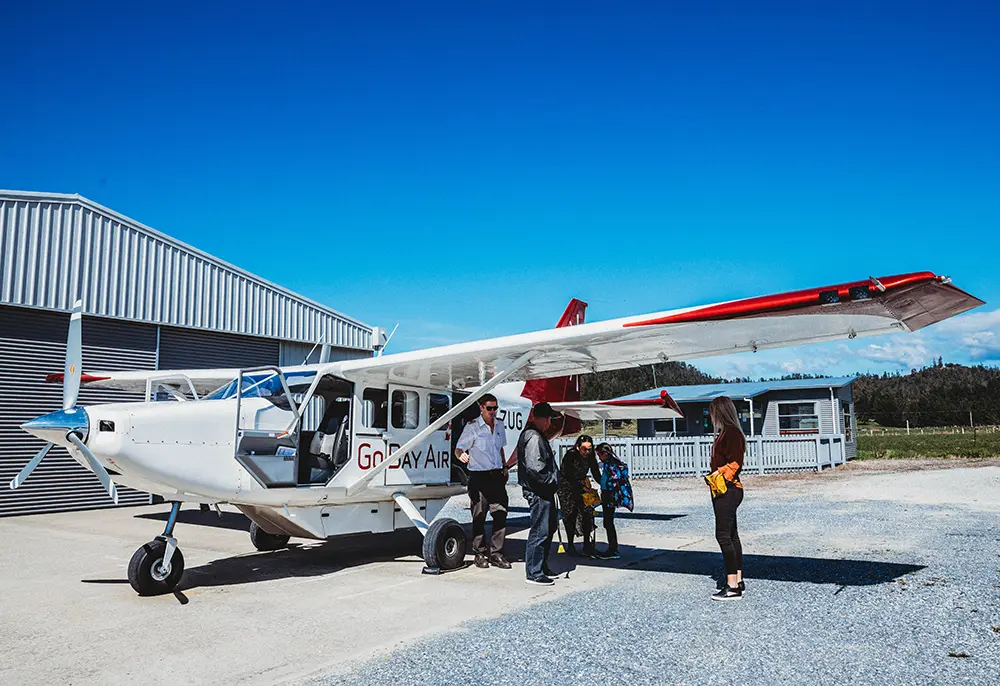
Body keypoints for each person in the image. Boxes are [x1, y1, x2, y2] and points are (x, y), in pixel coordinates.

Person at [455, 393, 511, 569]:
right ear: (481, 408)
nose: (492, 411)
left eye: (495, 408)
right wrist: (461, 455)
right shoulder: (472, 427)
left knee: (500, 513)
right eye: (489, 408)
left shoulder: (499, 425)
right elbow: (459, 448)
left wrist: (505, 466)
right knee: (479, 515)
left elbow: (500, 448)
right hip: (479, 476)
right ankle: (479, 553)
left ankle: (496, 553)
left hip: (496, 475)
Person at [517, 402, 562, 586]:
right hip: (539, 492)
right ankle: (534, 572)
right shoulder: (534, 437)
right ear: (544, 419)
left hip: (543, 491)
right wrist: (553, 480)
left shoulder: (535, 435)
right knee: (540, 531)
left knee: (548, 528)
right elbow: (535, 468)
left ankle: (541, 566)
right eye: (549, 418)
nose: (550, 422)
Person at [707, 396, 747, 600]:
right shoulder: (727, 432)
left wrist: (718, 476)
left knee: (722, 535)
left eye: (712, 412)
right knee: (731, 535)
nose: (710, 416)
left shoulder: (731, 433)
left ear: (720, 412)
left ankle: (732, 586)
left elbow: (735, 463)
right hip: (727, 489)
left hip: (728, 490)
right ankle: (738, 579)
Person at [557, 434, 600, 557]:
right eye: (584, 449)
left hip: (582, 485)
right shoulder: (570, 456)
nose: (587, 452)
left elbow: (596, 472)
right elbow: (568, 475)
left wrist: (604, 484)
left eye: (589, 449)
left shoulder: (590, 456)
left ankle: (587, 544)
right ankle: (570, 544)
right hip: (567, 487)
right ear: (577, 447)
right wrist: (581, 488)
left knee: (587, 514)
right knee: (570, 514)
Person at [594, 442, 633, 560]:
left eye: (600, 455)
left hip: (609, 496)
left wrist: (607, 492)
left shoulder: (610, 465)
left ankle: (612, 549)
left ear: (605, 453)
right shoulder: (613, 462)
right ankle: (612, 548)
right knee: (608, 522)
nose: (599, 458)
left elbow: (613, 480)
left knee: (608, 523)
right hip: (609, 495)